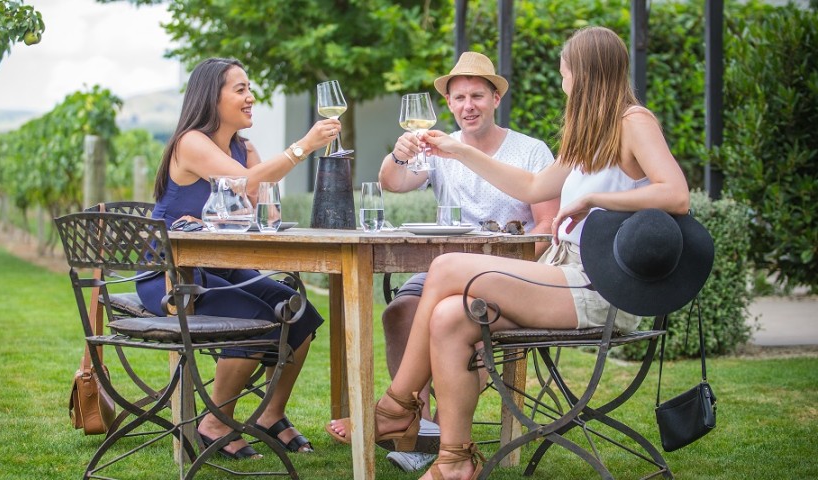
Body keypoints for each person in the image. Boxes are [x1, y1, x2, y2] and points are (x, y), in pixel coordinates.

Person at [327, 26, 694, 480]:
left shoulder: (633, 121)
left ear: (583, 73)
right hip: (564, 275)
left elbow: (677, 194)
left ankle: (395, 407)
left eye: (564, 72)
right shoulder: (590, 133)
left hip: (600, 284)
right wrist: (457, 152)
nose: (563, 82)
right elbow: (533, 186)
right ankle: (455, 460)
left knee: (445, 267)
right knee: (447, 317)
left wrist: (593, 202)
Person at [137, 57, 341, 458]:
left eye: (250, 89)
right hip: (172, 278)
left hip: (222, 269)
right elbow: (245, 183)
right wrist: (304, 146)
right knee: (254, 319)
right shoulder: (191, 142)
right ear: (212, 97)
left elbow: (263, 202)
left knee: (298, 312)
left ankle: (271, 415)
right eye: (240, 89)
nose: (251, 98)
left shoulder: (242, 147)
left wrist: (258, 200)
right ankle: (213, 424)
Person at [375, 51, 559, 472]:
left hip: (505, 274)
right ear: (450, 104)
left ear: (496, 98)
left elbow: (547, 225)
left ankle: (441, 428)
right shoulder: (439, 148)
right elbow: (393, 182)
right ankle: (414, 427)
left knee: (462, 325)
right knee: (399, 312)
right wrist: (400, 154)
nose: (467, 106)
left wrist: (516, 271)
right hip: (442, 269)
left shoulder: (530, 152)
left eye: (477, 95)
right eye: (458, 98)